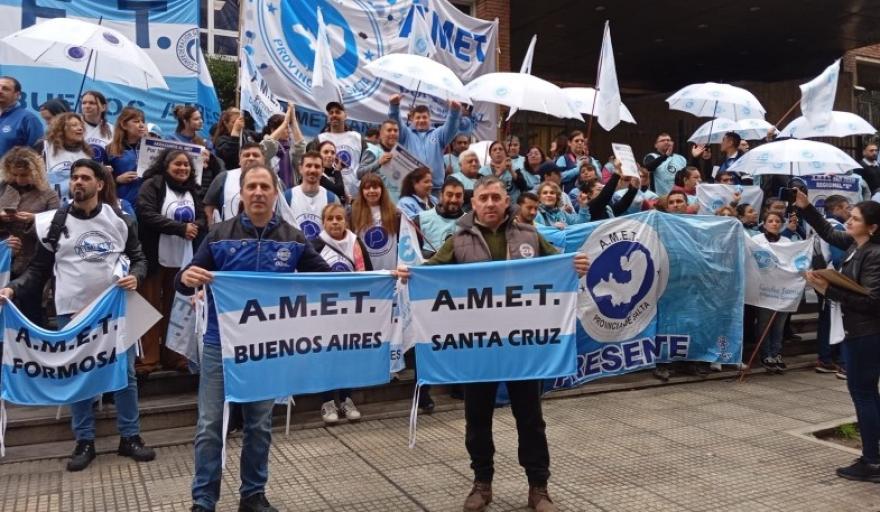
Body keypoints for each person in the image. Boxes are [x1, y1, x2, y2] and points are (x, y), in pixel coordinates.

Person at [397, 175, 589, 512]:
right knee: (477, 417)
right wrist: (410, 273)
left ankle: (538, 487)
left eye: (495, 198)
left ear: (506, 201)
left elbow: (557, 266)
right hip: (477, 349)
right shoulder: (457, 241)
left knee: (530, 418)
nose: (489, 204)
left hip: (523, 348)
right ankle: (481, 483)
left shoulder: (530, 235)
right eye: (483, 198)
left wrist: (576, 265)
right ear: (473, 203)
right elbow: (431, 272)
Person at [177, 164, 331, 512]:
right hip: (220, 344)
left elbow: (330, 279)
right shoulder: (218, 234)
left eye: (265, 186)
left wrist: (383, 278)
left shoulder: (292, 237)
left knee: (259, 426)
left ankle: (253, 496)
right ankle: (203, 501)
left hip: (267, 349)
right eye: (252, 187)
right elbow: (183, 280)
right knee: (209, 426)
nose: (259, 193)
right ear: (241, 194)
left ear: (276, 194)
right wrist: (189, 277)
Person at [0, 159, 153, 472]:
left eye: (85, 178)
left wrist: (136, 276)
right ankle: (84, 440)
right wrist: (13, 290)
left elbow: (138, 258)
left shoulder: (120, 219)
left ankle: (131, 436)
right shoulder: (53, 223)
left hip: (113, 311)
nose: (78, 183)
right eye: (74, 178)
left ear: (99, 184)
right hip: (72, 312)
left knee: (125, 375)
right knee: (77, 376)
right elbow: (38, 270)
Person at [796, 189, 880, 482]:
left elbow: (871, 301)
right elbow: (829, 233)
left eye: (855, 219)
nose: (848, 221)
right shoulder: (857, 245)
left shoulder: (874, 254)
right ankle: (873, 453)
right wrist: (806, 208)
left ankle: (872, 462)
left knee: (864, 394)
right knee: (866, 393)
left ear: (872, 227)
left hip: (867, 333)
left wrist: (827, 290)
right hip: (856, 330)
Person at [135, 149, 207, 376]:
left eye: (186, 165)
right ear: (166, 165)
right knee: (150, 306)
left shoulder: (193, 190)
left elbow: (204, 216)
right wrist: (180, 228)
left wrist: (196, 225)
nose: (183, 168)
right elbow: (145, 213)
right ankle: (148, 358)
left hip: (183, 260)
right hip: (155, 258)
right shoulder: (152, 185)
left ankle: (175, 355)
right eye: (177, 164)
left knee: (177, 310)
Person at [310, 203, 370, 424]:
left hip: (350, 310)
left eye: (339, 218)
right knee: (326, 356)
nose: (335, 222)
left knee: (346, 356)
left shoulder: (356, 244)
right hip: (323, 311)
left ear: (346, 221)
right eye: (330, 219)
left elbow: (368, 274)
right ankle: (327, 402)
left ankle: (346, 399)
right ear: (323, 222)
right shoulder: (314, 246)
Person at [0, 147, 57, 322]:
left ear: (35, 172)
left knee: (31, 313)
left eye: (24, 175)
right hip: (3, 261)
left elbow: (55, 229)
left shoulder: (48, 194)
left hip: (33, 263)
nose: (19, 179)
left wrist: (34, 221)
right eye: (15, 174)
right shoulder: (2, 189)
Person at [389, 94, 462, 193]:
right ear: (412, 119)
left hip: (436, 189)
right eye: (418, 118)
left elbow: (451, 127)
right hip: (412, 189)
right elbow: (395, 122)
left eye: (424, 117)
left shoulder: (438, 133)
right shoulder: (406, 134)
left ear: (429, 119)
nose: (421, 120)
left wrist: (454, 111)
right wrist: (394, 106)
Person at [813, 194, 850, 379]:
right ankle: (842, 364)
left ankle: (826, 359)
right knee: (838, 320)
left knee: (827, 319)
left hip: (823, 276)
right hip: (833, 279)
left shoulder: (822, 225)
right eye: (846, 207)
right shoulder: (835, 227)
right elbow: (837, 258)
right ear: (836, 209)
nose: (849, 211)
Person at [752, 211, 793, 372]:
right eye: (770, 221)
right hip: (765, 290)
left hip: (783, 289)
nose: (774, 223)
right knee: (764, 324)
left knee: (779, 325)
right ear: (764, 223)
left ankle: (776, 353)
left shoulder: (787, 241)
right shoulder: (757, 241)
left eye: (777, 221)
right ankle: (765, 354)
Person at [318, 101, 373, 198]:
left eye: (338, 112)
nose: (334, 115)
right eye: (331, 113)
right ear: (328, 117)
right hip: (329, 196)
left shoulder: (358, 138)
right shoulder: (320, 139)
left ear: (345, 115)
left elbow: (367, 167)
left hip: (356, 197)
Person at [203, 142, 267, 224]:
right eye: (246, 155)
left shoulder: (275, 181)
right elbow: (209, 206)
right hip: (228, 234)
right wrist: (212, 230)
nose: (251, 158)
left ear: (263, 159)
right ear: (239, 160)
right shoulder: (223, 177)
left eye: (255, 155)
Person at [34, 113, 93, 200]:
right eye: (74, 125)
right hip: (47, 204)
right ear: (62, 129)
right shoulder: (45, 147)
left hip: (76, 206)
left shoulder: (86, 152)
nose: (80, 128)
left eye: (81, 126)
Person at [283, 151, 340, 240]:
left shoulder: (332, 199)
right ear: (300, 169)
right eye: (308, 166)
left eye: (317, 167)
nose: (313, 170)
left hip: (322, 253)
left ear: (322, 171)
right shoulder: (287, 197)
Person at [351, 174, 400, 271]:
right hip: (365, 273)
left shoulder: (395, 212)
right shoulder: (352, 213)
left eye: (375, 187)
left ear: (382, 189)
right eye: (367, 188)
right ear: (361, 191)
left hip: (390, 272)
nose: (371, 191)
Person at [168, 105, 223, 193]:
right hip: (176, 187)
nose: (201, 121)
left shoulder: (205, 142)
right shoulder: (171, 140)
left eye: (201, 118)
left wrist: (209, 158)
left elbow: (217, 164)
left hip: (199, 189)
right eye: (196, 119)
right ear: (185, 121)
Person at [105, 106, 146, 208]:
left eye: (142, 121)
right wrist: (117, 180)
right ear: (124, 125)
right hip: (122, 204)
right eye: (136, 121)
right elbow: (101, 180)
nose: (141, 125)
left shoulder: (150, 147)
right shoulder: (110, 149)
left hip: (148, 204)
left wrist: (148, 141)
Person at [415, 176, 465, 257]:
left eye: (458, 196)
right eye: (449, 195)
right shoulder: (421, 220)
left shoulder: (471, 222)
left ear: (463, 198)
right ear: (441, 196)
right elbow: (413, 255)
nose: (453, 200)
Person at [0, 76, 44, 158]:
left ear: (18, 95)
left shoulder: (28, 119)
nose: (0, 91)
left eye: (5, 89)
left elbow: (36, 154)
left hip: (11, 170)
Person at [359, 119, 401, 198]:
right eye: (389, 130)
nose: (393, 133)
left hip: (397, 204)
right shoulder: (372, 151)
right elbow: (359, 174)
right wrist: (378, 163)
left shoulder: (400, 154)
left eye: (395, 131)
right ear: (381, 134)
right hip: (378, 203)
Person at [644, 132, 687, 196]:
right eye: (662, 140)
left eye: (668, 140)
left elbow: (688, 176)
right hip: (659, 197)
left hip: (678, 196)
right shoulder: (651, 156)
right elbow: (649, 167)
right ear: (656, 145)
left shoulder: (681, 158)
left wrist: (695, 158)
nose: (666, 142)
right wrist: (666, 156)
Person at [79, 91, 113, 160]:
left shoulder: (112, 130)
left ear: (103, 107)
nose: (87, 106)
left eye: (92, 103)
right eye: (84, 103)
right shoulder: (73, 126)